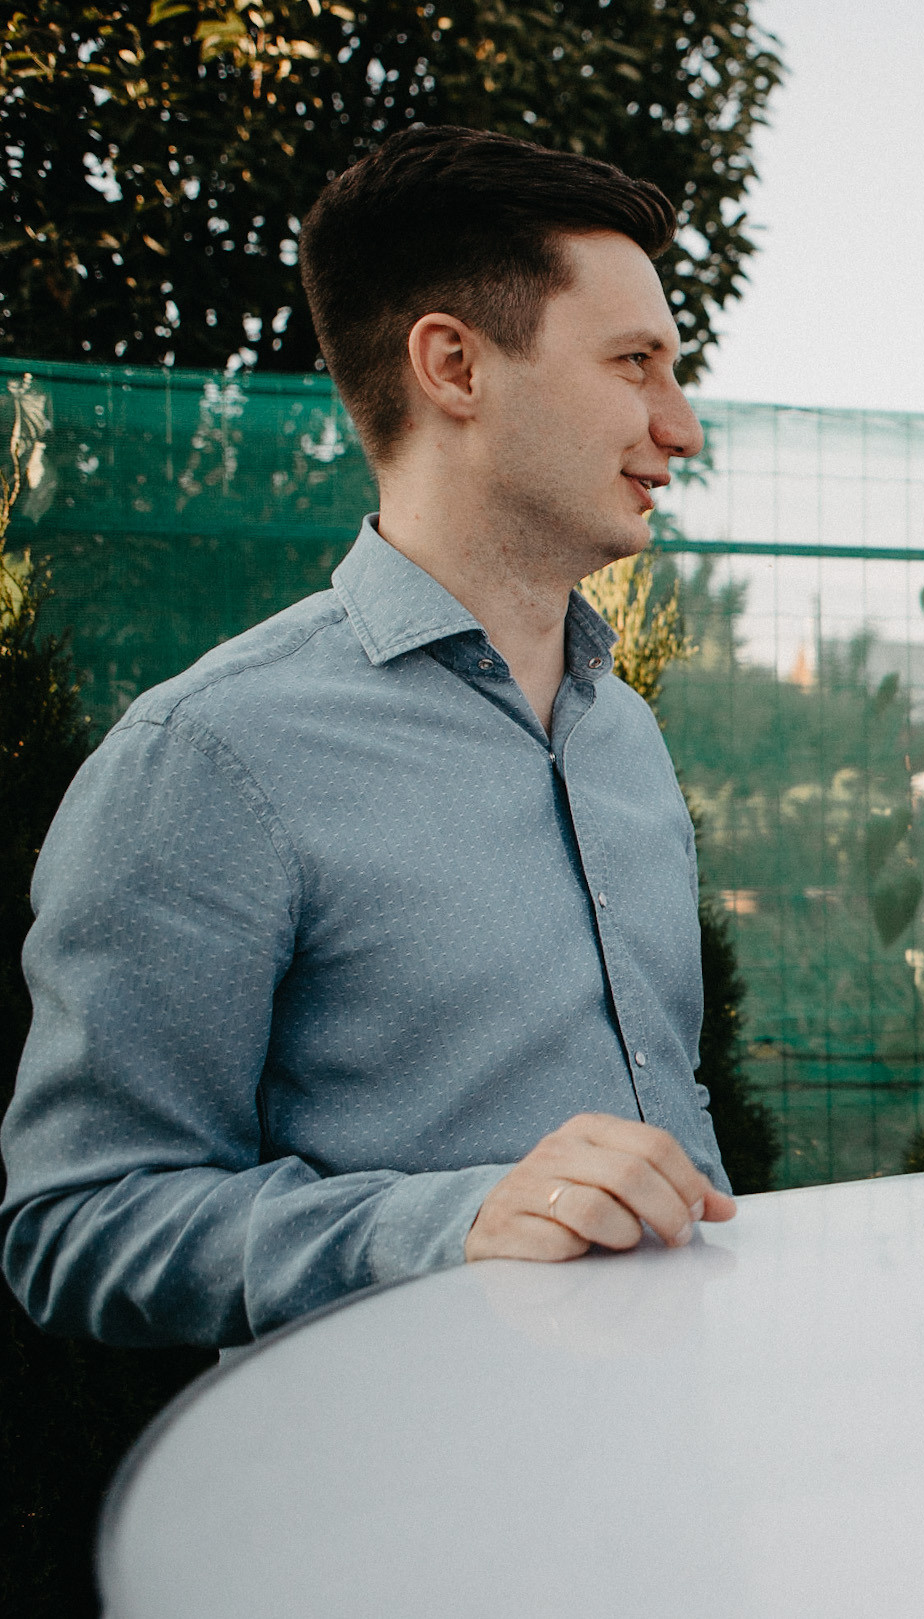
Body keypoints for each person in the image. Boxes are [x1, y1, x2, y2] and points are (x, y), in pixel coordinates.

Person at [1, 126, 737, 1350]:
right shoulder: (208, 755)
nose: (681, 425)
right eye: (634, 364)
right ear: (453, 365)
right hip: (394, 1512)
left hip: (676, 1461)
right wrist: (444, 1227)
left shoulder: (628, 735)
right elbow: (78, 1220)